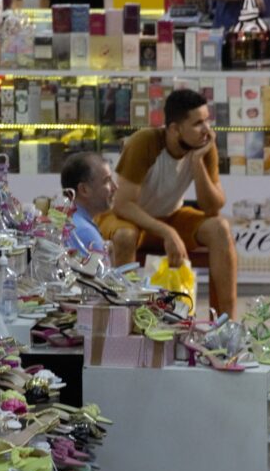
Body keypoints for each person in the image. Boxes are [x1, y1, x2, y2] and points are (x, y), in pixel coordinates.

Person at [103, 88, 239, 315]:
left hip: (171, 216)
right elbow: (122, 205)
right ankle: (125, 321)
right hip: (129, 219)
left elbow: (213, 206)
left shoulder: (204, 147)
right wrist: (168, 232)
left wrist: (197, 163)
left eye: (207, 120)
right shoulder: (144, 142)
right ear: (175, 129)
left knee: (220, 228)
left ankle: (225, 325)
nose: (207, 130)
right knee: (125, 236)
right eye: (198, 124)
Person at [57, 150, 114, 258]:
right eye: (107, 181)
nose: (115, 187)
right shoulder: (84, 231)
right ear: (84, 190)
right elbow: (101, 274)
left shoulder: (71, 220)